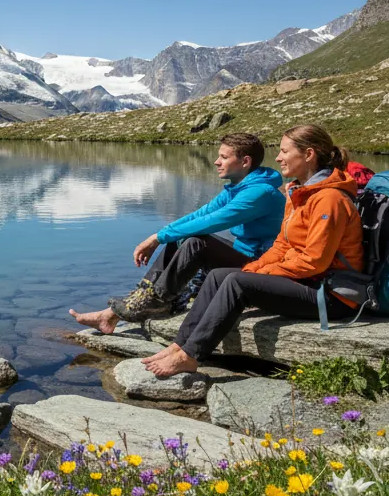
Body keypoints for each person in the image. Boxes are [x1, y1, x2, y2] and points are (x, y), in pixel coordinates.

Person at [144, 124, 364, 377]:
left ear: (308, 154)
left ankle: (191, 355)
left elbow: (314, 262)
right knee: (220, 276)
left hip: (331, 295)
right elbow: (282, 245)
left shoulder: (329, 199)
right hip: (308, 282)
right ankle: (179, 345)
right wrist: (254, 268)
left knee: (238, 282)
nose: (278, 158)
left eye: (284, 151)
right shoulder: (299, 193)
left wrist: (262, 274)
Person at [69, 133, 285, 333]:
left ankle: (154, 301)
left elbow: (214, 221)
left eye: (223, 157)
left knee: (196, 242)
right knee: (181, 237)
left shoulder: (259, 193)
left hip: (261, 265)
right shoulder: (240, 187)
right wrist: (161, 234)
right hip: (247, 257)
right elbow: (201, 214)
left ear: (245, 162)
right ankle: (134, 305)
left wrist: (157, 238)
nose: (216, 162)